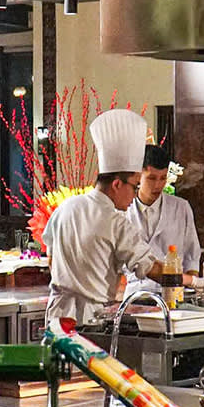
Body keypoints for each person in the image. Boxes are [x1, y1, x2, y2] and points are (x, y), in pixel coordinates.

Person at [44, 109, 171, 325]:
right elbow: (151, 269)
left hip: (57, 313)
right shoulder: (115, 221)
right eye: (135, 186)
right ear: (117, 184)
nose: (135, 195)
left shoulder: (65, 207)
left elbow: (50, 259)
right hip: (92, 317)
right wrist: (194, 281)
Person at [127, 143, 201, 287]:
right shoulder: (123, 211)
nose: (158, 185)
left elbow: (191, 256)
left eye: (163, 178)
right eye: (151, 178)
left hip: (174, 288)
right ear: (138, 176)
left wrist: (194, 285)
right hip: (134, 290)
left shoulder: (181, 207)